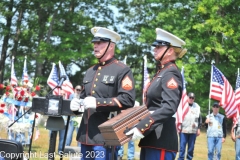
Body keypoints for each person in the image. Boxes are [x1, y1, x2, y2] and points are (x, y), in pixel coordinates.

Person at [70, 27, 136, 160]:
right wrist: (76, 107)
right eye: (94, 43)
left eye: (100, 43)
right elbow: (84, 100)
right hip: (86, 136)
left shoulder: (122, 70)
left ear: (111, 46)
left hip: (105, 137)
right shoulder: (90, 71)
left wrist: (98, 103)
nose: (95, 46)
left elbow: (128, 99)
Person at [125, 28, 187, 160]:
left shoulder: (171, 73)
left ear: (170, 50)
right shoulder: (162, 72)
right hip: (152, 139)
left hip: (161, 140)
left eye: (159, 47)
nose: (155, 49)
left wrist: (143, 126)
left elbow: (169, 107)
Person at [178, 92, 202, 160]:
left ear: (194, 99)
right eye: (190, 97)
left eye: (192, 98)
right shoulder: (183, 105)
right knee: (182, 148)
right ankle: (181, 158)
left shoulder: (197, 106)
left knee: (191, 148)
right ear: (187, 97)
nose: (191, 99)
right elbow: (178, 116)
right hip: (183, 129)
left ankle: (189, 158)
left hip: (193, 130)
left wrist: (199, 128)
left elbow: (199, 118)